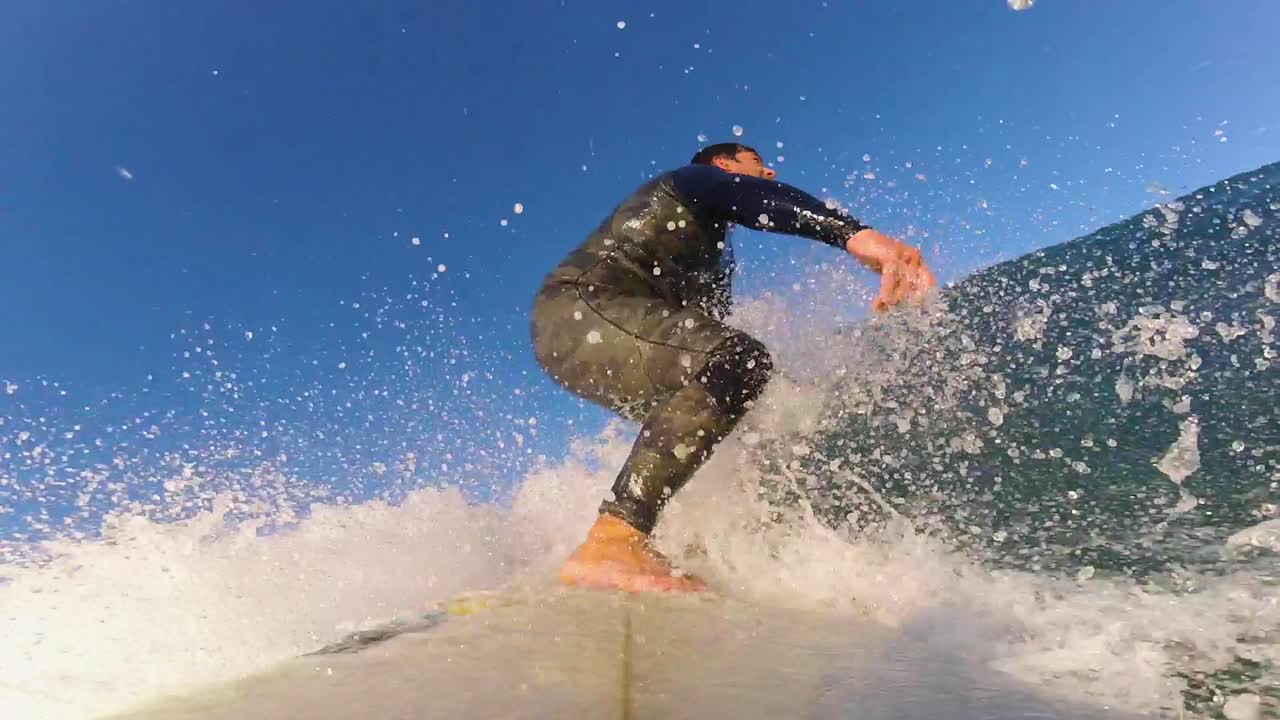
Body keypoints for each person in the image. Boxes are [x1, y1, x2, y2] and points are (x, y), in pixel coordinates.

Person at [529, 142, 935, 592]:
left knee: (730, 401)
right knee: (739, 358)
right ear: (724, 165)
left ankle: (670, 546)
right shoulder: (688, 182)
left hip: (596, 337)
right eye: (757, 163)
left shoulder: (714, 258)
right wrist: (856, 235)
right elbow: (749, 199)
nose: (769, 172)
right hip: (581, 310)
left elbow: (712, 360)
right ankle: (612, 541)